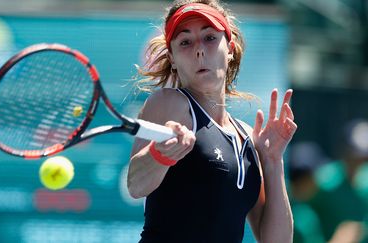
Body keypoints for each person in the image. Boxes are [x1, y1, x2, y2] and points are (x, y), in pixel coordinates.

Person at [127, 1, 297, 242]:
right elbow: (135, 185)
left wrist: (272, 161)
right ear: (172, 59)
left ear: (230, 49)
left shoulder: (248, 136)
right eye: (185, 42)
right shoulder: (169, 103)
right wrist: (162, 153)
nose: (199, 50)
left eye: (209, 37)